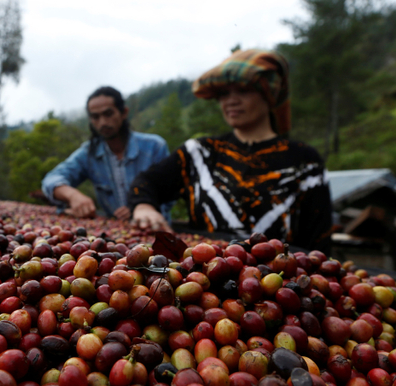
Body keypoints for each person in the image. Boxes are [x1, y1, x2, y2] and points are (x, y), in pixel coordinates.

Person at [129, 49, 332, 252]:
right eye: (224, 93)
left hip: (279, 280)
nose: (231, 101)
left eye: (243, 91)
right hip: (204, 275)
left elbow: (318, 242)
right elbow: (146, 183)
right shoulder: (200, 153)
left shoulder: (305, 162)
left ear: (269, 94)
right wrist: (144, 206)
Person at [42, 86, 172, 220]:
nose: (103, 122)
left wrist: (142, 205)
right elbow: (51, 179)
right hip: (116, 235)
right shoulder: (88, 154)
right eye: (95, 117)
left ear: (124, 112)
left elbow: (171, 191)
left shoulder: (154, 147)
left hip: (156, 229)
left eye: (108, 114)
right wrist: (72, 195)